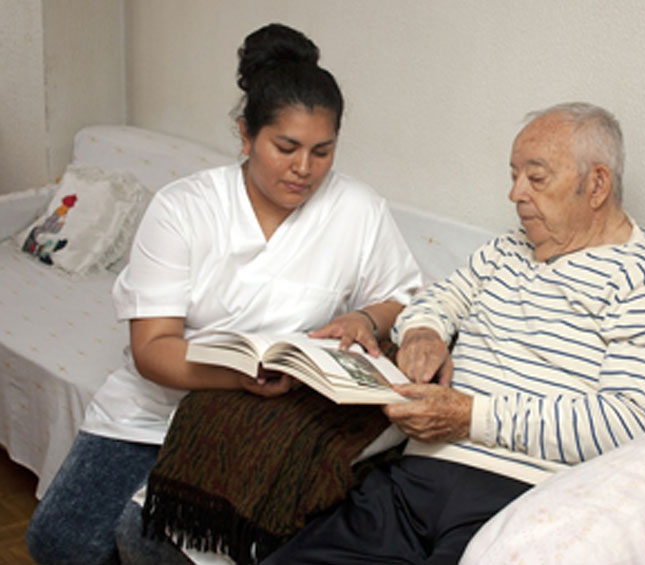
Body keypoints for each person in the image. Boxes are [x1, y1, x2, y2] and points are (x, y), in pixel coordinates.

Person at [25, 23, 422, 565]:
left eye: (322, 151)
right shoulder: (184, 208)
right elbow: (153, 348)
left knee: (144, 539)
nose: (304, 169)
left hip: (258, 419)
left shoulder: (357, 208)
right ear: (245, 135)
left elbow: (399, 295)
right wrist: (237, 373)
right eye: (286, 147)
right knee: (59, 542)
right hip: (156, 407)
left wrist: (365, 319)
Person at [261, 102, 645, 564]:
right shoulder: (508, 248)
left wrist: (472, 417)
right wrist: (423, 334)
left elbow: (626, 423)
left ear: (596, 184)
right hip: (414, 479)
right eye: (514, 175)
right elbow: (438, 299)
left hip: (529, 505)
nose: (515, 194)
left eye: (535, 178)